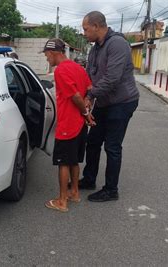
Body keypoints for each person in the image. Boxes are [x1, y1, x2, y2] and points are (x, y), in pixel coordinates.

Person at [79, 11, 139, 202]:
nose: (84, 33)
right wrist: (86, 93)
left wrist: (91, 94)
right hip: (104, 102)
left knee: (112, 146)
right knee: (93, 141)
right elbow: (90, 73)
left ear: (96, 26)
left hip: (122, 102)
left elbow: (112, 78)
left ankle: (111, 190)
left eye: (86, 29)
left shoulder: (118, 44)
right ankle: (89, 179)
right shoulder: (95, 48)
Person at [42, 38, 93, 212]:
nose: (46, 58)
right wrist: (86, 111)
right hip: (79, 125)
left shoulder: (61, 70)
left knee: (63, 162)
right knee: (73, 161)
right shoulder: (78, 68)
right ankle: (75, 193)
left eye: (47, 54)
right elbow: (88, 90)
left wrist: (86, 113)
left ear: (53, 52)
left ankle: (62, 201)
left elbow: (76, 97)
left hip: (68, 125)